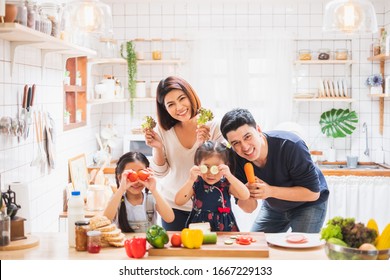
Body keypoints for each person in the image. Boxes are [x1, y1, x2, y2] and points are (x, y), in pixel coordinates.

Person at [220, 108, 329, 233]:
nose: (244, 147)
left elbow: (313, 193)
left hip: (307, 205)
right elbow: (249, 208)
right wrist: (246, 192)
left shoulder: (291, 145)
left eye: (247, 137)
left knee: (300, 249)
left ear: (258, 130)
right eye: (236, 143)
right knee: (257, 246)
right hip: (274, 206)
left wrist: (270, 191)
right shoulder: (236, 159)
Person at [144, 76, 225, 231]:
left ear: (191, 96)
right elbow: (160, 174)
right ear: (164, 109)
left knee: (212, 253)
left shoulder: (213, 126)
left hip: (210, 206)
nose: (179, 107)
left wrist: (205, 147)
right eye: (171, 104)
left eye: (182, 99)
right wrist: (158, 148)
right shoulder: (163, 130)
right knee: (176, 254)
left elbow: (221, 172)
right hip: (174, 207)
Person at [175, 141, 250, 231]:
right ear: (198, 165)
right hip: (199, 227)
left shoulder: (226, 183)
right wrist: (190, 180)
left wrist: (230, 176)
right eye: (206, 167)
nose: (210, 173)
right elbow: (178, 201)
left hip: (225, 227)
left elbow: (245, 195)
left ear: (225, 166)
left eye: (216, 168)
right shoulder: (196, 182)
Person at [103, 152, 174, 233]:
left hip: (147, 244)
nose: (136, 181)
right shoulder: (116, 199)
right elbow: (105, 220)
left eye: (141, 174)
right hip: (124, 245)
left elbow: (170, 218)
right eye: (131, 175)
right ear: (120, 177)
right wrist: (121, 189)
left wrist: (154, 190)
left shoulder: (152, 198)